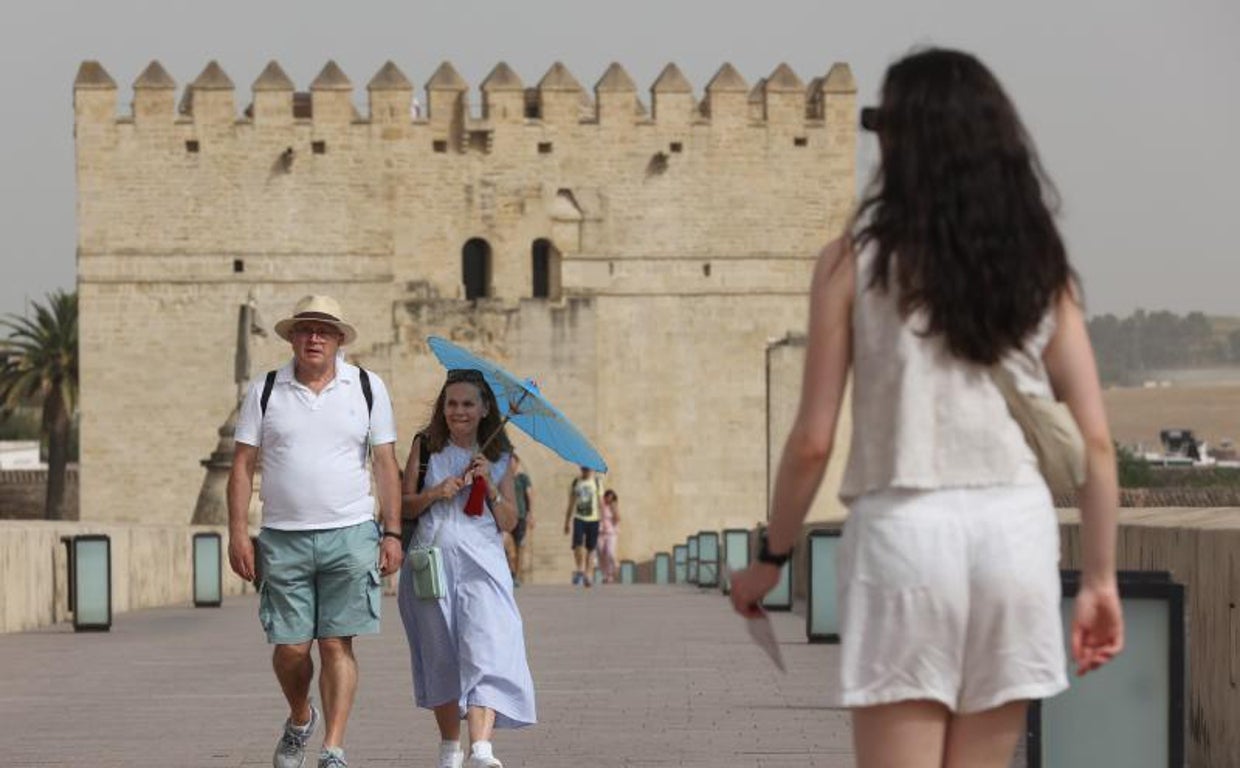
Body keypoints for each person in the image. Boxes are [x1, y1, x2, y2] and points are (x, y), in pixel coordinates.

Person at [729, 48, 1124, 768]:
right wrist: (1099, 580)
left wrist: (771, 558)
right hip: (1015, 536)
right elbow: (1095, 444)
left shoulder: (855, 261)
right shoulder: (1042, 267)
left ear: (901, 145)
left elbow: (813, 439)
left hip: (905, 535)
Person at [227, 295, 403, 768]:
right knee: (290, 649)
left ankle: (333, 748)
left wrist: (392, 532)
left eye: (324, 330)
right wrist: (239, 533)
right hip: (283, 536)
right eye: (305, 329)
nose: (314, 337)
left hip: (350, 533)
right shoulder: (266, 389)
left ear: (340, 338)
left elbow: (385, 463)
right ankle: (301, 716)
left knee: (336, 642)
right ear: (292, 337)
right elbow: (242, 466)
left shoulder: (367, 386)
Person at [398, 368, 536, 768]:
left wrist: (490, 485)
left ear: (484, 408)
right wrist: (435, 493)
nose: (458, 411)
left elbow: (509, 520)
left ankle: (481, 749)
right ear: (443, 407)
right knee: (440, 654)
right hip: (432, 563)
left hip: (483, 563)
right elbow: (402, 505)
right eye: (452, 403)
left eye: (467, 404)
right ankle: (449, 748)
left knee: (487, 646)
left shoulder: (499, 455)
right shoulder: (425, 447)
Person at [563, 465, 603, 587]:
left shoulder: (597, 482)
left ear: (592, 469)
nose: (585, 471)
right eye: (583, 468)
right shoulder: (576, 482)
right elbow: (571, 503)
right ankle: (580, 569)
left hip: (594, 519)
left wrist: (603, 522)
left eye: (587, 469)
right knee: (577, 545)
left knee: (591, 548)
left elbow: (600, 504)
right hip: (579, 518)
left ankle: (588, 574)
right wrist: (567, 522)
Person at [506, 453, 534, 586]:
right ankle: (510, 571)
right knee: (506, 545)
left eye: (512, 462)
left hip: (521, 516)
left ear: (517, 463)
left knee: (519, 546)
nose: (510, 465)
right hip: (506, 517)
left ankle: (516, 575)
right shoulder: (504, 479)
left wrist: (530, 514)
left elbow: (529, 496)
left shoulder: (523, 478)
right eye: (508, 462)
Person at [597, 489, 621, 583]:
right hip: (600, 533)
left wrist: (613, 509)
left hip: (611, 533)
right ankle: (605, 575)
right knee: (601, 553)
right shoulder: (600, 506)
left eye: (611, 498)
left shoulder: (614, 506)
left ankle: (613, 569)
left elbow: (618, 519)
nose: (609, 499)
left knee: (610, 552)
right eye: (608, 497)